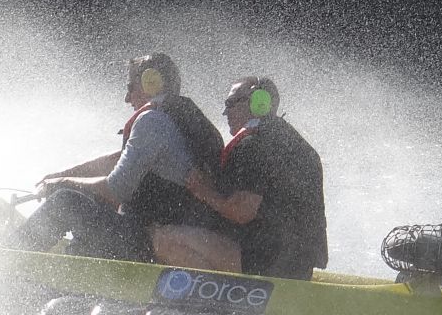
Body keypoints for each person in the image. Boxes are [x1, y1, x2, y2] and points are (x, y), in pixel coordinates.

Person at [17, 52, 226, 261]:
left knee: (65, 201)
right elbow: (116, 161)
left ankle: (11, 259)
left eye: (130, 87)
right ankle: (74, 259)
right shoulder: (176, 121)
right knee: (88, 198)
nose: (127, 98)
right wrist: (59, 176)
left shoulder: (152, 121)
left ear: (150, 83)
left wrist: (60, 184)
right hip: (163, 235)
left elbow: (114, 190)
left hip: (150, 243)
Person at [187, 76, 329, 279]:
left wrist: (203, 191)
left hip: (263, 264)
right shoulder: (297, 144)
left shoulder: (252, 145)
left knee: (165, 237)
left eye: (231, 103)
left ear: (257, 102)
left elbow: (242, 212)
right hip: (299, 267)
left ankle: (211, 295)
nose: (225, 111)